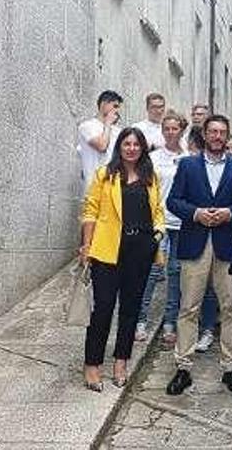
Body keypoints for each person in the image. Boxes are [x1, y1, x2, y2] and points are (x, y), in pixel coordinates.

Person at [165, 115, 232, 396]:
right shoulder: (188, 165)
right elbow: (173, 201)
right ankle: (183, 367)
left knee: (231, 308)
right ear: (204, 135)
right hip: (195, 243)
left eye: (222, 133)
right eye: (212, 131)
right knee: (188, 307)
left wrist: (229, 213)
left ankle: (230, 367)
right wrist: (196, 213)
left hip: (228, 245)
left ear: (227, 137)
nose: (217, 136)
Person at [79, 127, 165, 392]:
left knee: (130, 309)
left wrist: (158, 235)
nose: (131, 148)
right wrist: (86, 245)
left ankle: (120, 362)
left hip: (140, 249)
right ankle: (92, 364)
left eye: (136, 144)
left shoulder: (151, 177)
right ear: (120, 146)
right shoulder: (105, 175)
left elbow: (158, 209)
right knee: (103, 308)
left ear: (142, 148)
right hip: (107, 250)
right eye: (127, 143)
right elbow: (90, 210)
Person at [136, 111, 188, 346]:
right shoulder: (153, 158)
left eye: (174, 128)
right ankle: (141, 320)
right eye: (166, 128)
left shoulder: (188, 159)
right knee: (152, 272)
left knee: (176, 274)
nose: (169, 132)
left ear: (181, 130)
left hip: (181, 224)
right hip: (157, 222)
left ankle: (170, 322)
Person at [78, 90, 123, 193]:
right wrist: (107, 123)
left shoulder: (118, 131)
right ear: (103, 104)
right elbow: (102, 146)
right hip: (94, 188)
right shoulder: (87, 126)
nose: (117, 111)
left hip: (114, 188)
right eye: (115, 106)